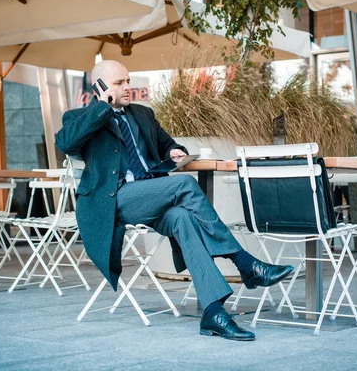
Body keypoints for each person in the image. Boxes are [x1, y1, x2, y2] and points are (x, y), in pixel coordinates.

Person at [55, 60, 293, 341]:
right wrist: (102, 107)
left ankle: (213, 313)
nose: (128, 87)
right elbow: (65, 143)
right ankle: (244, 263)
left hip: (151, 195)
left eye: (128, 80)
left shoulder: (142, 114)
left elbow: (166, 143)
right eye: (119, 83)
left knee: (183, 218)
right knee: (184, 184)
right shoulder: (80, 116)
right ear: (100, 86)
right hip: (112, 201)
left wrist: (177, 150)